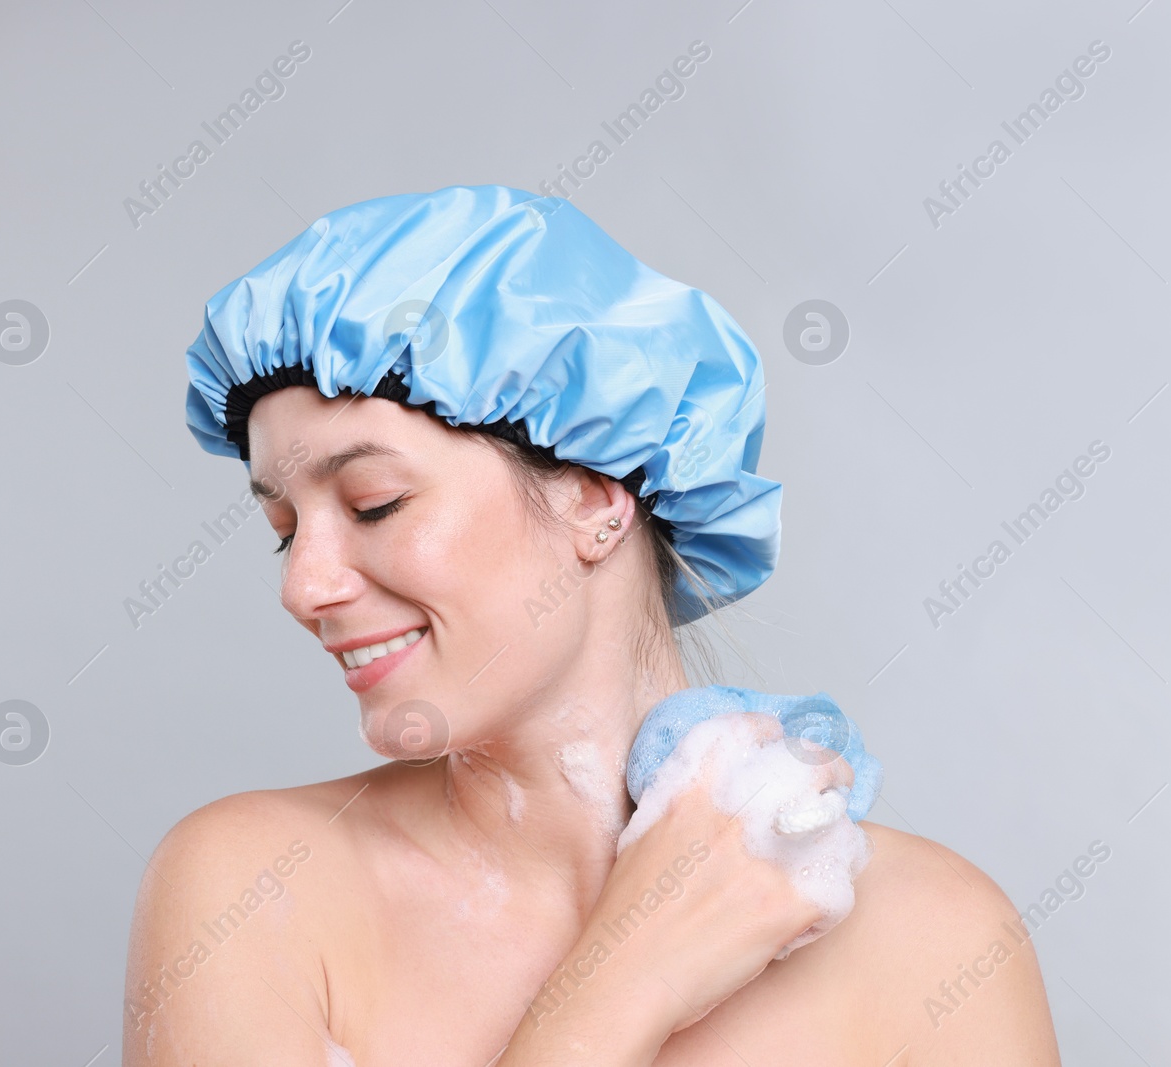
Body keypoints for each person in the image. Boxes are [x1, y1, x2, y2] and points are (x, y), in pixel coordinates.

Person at [123, 185, 1062, 1066]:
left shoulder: (937, 940)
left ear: (596, 498)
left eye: (373, 503)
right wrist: (628, 973)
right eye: (283, 531)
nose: (304, 586)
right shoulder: (254, 891)